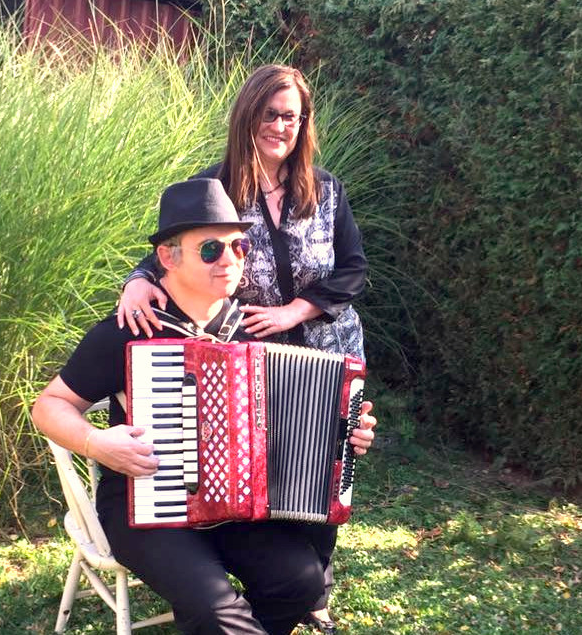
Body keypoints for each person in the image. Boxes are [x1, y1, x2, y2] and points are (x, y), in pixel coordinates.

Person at [32, 178, 377, 635]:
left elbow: (292, 424)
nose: (230, 259)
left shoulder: (249, 334)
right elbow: (49, 405)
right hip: (147, 508)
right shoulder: (128, 332)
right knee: (214, 610)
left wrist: (346, 433)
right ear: (168, 257)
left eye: (239, 246)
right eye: (211, 250)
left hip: (233, 508)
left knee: (302, 581)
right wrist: (96, 443)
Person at [116, 64, 366, 634]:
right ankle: (261, 578)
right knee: (259, 468)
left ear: (304, 124)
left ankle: (311, 588)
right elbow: (172, 249)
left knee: (321, 471)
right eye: (270, 114)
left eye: (292, 117)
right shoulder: (215, 187)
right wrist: (136, 280)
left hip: (328, 351)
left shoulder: (325, 188)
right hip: (245, 358)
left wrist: (296, 310)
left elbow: (352, 269)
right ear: (248, 116)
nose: (281, 126)